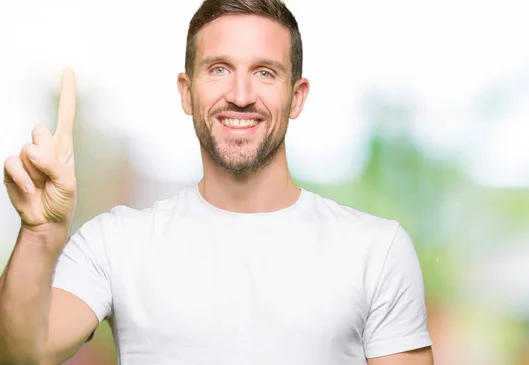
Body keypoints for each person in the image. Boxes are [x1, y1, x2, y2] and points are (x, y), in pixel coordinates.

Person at [0, 0, 434, 364]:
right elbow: (23, 355)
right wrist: (40, 234)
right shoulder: (116, 242)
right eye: (219, 69)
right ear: (186, 92)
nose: (241, 95)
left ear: (296, 96)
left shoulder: (377, 250)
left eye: (265, 72)